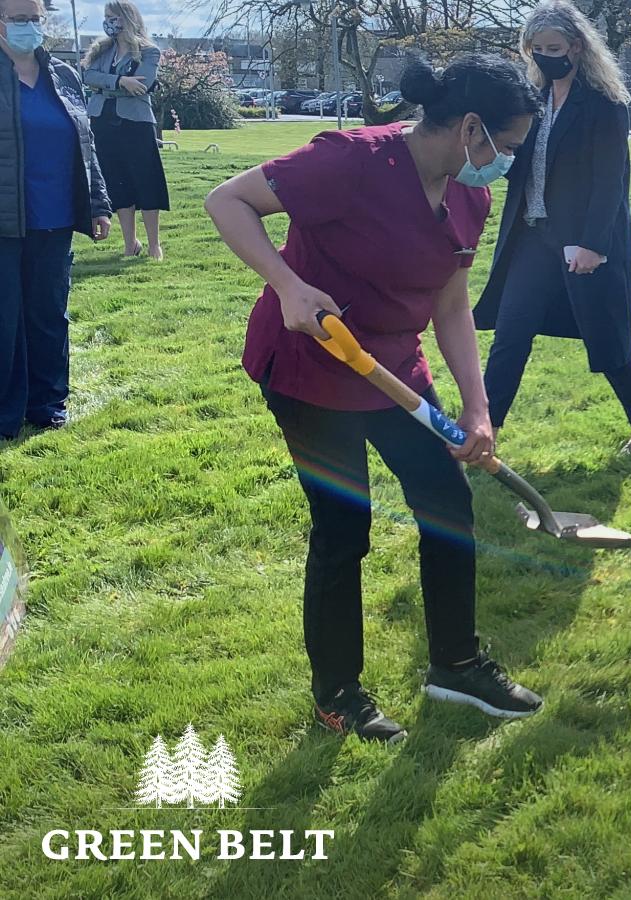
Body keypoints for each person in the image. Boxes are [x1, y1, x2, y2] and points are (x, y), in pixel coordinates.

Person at [205, 55, 545, 744]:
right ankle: (338, 696)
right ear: (469, 128)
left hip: (394, 371)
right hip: (311, 367)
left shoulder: (468, 194)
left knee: (447, 507)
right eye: (504, 147)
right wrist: (287, 285)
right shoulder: (350, 161)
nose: (505, 162)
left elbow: (451, 304)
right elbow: (226, 201)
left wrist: (476, 409)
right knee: (344, 528)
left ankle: (454, 663)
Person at [474, 0, 631, 453]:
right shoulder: (531, 100)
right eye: (535, 48)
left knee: (608, 339)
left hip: (584, 241)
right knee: (510, 335)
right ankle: (486, 433)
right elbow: (515, 157)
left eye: (552, 47)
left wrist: (593, 245)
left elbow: (610, 179)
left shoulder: (606, 104)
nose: (543, 56)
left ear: (577, 47)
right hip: (532, 238)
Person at [0, 0, 111, 441]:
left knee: (48, 314)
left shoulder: (62, 76)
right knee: (6, 318)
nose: (28, 26)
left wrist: (99, 202)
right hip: (6, 220)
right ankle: (6, 412)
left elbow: (86, 144)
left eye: (34, 18)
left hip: (55, 216)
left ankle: (46, 403)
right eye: (17, 18)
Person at [81, 0, 167, 261]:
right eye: (107, 17)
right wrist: (120, 81)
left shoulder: (148, 51)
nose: (109, 22)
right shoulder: (100, 51)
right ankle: (130, 244)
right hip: (102, 121)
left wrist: (107, 85)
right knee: (116, 182)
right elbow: (88, 76)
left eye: (114, 17)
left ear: (128, 19)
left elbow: (143, 84)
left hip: (136, 123)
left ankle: (154, 245)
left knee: (145, 179)